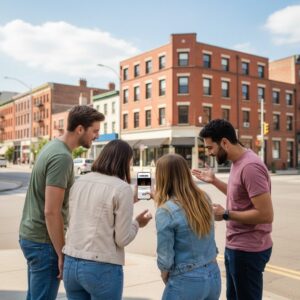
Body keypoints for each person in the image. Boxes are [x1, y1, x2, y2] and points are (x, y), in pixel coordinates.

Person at [19, 105, 105, 300]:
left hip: (33, 237)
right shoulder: (62, 157)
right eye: (95, 131)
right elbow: (51, 211)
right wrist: (61, 253)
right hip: (44, 242)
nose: (97, 136)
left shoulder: (52, 146)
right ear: (80, 129)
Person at [192, 119, 274, 300]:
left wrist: (226, 214)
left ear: (224, 143)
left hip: (248, 250)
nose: (209, 153)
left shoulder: (250, 167)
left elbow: (266, 214)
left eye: (210, 147)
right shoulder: (239, 161)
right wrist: (214, 181)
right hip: (236, 247)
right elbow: (239, 194)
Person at [62, 139, 152, 300]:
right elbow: (122, 239)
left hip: (71, 263)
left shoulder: (80, 181)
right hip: (100, 266)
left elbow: (93, 209)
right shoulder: (121, 188)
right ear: (124, 161)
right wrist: (138, 223)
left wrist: (130, 200)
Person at [154, 153, 221, 300]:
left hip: (186, 280)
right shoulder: (204, 198)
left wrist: (166, 277)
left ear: (162, 177)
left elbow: (165, 258)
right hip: (213, 275)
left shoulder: (165, 211)